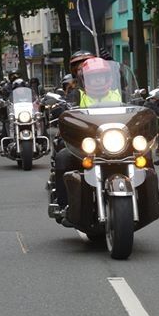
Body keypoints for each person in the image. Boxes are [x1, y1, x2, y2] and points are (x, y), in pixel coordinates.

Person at [51, 58, 123, 217]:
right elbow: (63, 109)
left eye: (101, 77)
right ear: (84, 80)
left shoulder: (119, 94)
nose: (97, 81)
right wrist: (59, 109)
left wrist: (145, 105)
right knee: (62, 157)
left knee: (145, 153)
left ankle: (155, 201)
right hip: (85, 143)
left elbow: (135, 106)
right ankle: (62, 205)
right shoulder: (76, 95)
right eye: (92, 78)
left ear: (109, 78)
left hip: (115, 141)